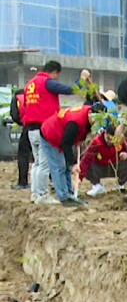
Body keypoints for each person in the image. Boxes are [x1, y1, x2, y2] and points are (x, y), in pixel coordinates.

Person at [22, 61, 91, 204]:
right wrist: (82, 78)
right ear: (54, 72)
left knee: (37, 163)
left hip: (30, 128)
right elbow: (69, 90)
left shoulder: (30, 84)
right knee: (45, 164)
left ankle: (35, 193)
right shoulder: (46, 82)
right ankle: (42, 195)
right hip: (45, 128)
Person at [39, 101, 106, 207]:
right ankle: (64, 197)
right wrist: (73, 163)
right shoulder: (75, 122)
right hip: (50, 134)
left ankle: (70, 194)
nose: (96, 123)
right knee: (59, 167)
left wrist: (80, 138)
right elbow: (66, 143)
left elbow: (85, 128)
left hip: (63, 135)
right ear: (90, 114)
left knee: (66, 167)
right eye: (95, 119)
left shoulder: (89, 114)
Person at [81, 130, 127, 196]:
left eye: (112, 139)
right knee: (84, 164)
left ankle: (120, 185)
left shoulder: (121, 140)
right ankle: (97, 185)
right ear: (105, 133)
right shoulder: (96, 141)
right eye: (108, 139)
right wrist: (79, 177)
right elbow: (86, 158)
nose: (110, 142)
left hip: (116, 165)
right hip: (99, 167)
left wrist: (126, 154)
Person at [9, 88, 31, 190]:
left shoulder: (16, 98)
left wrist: (22, 123)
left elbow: (14, 115)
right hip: (44, 125)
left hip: (28, 126)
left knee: (23, 154)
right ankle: (53, 181)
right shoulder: (33, 97)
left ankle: (23, 182)